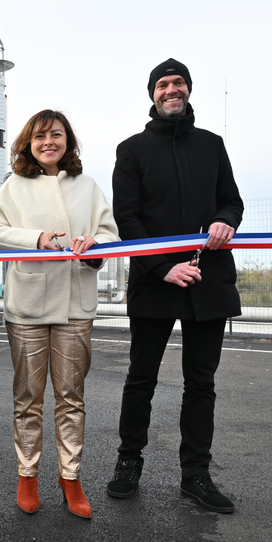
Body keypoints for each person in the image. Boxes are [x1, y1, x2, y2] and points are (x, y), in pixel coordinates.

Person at [107, 58, 243, 514]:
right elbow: (127, 220)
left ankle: (196, 475)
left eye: (178, 83)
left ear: (188, 90)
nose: (172, 90)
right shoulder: (132, 150)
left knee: (200, 383)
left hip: (209, 280)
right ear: (152, 94)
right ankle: (128, 463)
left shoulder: (212, 145)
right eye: (163, 84)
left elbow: (231, 200)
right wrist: (164, 266)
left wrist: (225, 220)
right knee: (140, 379)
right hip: (155, 281)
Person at [0, 110, 118, 519]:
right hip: (28, 307)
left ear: (68, 142)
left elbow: (111, 236)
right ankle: (28, 475)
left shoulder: (88, 186)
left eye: (56, 135)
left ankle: (70, 478)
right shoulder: (15, 185)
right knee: (28, 398)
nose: (48, 142)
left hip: (75, 304)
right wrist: (34, 239)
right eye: (40, 137)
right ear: (28, 143)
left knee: (71, 398)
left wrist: (96, 246)